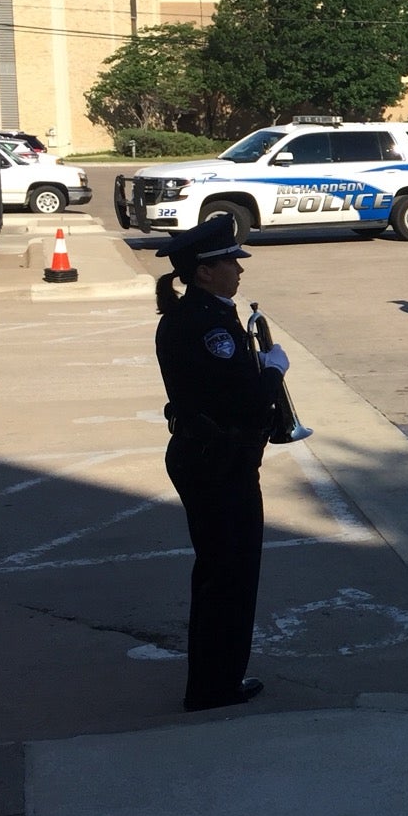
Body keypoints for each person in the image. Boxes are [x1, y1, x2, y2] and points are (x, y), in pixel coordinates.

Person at [153, 213, 286, 712]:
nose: (238, 268)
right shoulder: (210, 324)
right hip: (217, 461)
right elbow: (246, 401)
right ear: (205, 272)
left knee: (221, 571)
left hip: (209, 455)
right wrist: (271, 372)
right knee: (229, 575)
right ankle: (214, 686)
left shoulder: (198, 316)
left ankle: (215, 678)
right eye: (229, 260)